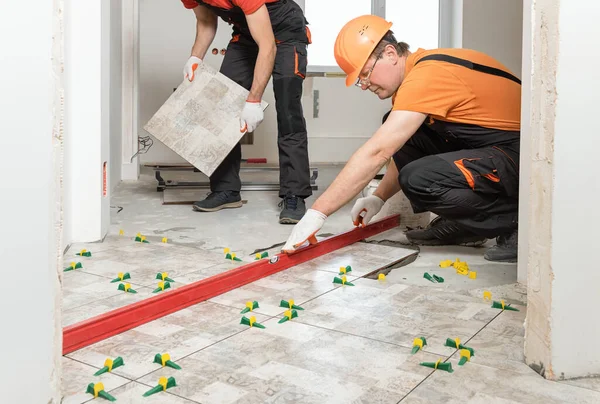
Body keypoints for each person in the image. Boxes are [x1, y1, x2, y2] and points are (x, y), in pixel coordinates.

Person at [282, 15, 521, 262]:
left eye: (365, 74)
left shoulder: (427, 76)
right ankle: (469, 225)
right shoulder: (418, 71)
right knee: (397, 125)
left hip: (519, 155)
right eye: (359, 81)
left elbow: (378, 152)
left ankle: (515, 223)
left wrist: (318, 213)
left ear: (390, 54)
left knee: (419, 180)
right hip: (492, 147)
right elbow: (401, 146)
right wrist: (378, 197)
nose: (364, 85)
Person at [180, 0, 313, 224]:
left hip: (287, 33)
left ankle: (295, 195)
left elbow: (268, 46)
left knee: (288, 111)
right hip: (249, 35)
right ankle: (226, 190)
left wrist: (253, 100)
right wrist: (195, 57)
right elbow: (205, 21)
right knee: (223, 104)